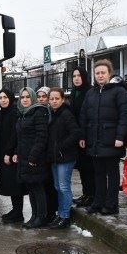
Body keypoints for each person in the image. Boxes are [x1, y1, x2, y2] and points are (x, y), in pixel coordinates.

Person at [79, 59, 127, 216]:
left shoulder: (118, 91)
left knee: (112, 174)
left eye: (103, 73)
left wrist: (121, 136)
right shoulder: (91, 92)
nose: (100, 76)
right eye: (97, 73)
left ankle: (111, 204)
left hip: (112, 139)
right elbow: (83, 115)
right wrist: (83, 135)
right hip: (94, 140)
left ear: (109, 74)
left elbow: (125, 115)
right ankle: (98, 202)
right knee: (98, 173)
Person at [13, 88, 49, 228]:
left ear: (32, 98)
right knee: (30, 187)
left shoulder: (38, 112)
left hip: (35, 157)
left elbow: (41, 137)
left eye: (28, 97)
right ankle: (34, 215)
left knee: (37, 187)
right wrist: (16, 152)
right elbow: (20, 138)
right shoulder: (23, 114)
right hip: (24, 156)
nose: (25, 99)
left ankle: (41, 217)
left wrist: (33, 157)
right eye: (22, 97)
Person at [47, 88, 81, 228]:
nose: (54, 101)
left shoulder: (66, 114)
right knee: (57, 186)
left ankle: (65, 216)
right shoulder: (52, 114)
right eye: (52, 99)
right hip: (55, 158)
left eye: (57, 99)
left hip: (65, 157)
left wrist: (60, 146)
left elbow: (75, 133)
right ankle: (60, 214)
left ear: (62, 99)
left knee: (63, 187)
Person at [0, 88, 25, 224]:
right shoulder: (3, 113)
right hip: (5, 153)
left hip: (12, 154)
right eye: (0, 98)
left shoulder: (14, 113)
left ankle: (18, 212)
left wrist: (10, 152)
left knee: (15, 184)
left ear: (10, 98)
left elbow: (15, 135)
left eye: (5, 97)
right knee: (11, 184)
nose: (3, 100)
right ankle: (16, 210)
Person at [69, 66, 95, 208]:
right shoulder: (74, 92)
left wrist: (83, 134)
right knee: (82, 167)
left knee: (89, 167)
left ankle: (92, 195)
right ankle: (86, 194)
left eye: (79, 75)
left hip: (87, 135)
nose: (76, 78)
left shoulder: (89, 92)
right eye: (74, 76)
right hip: (77, 135)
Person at [36, 85, 58, 222]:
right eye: (39, 97)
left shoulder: (52, 112)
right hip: (42, 154)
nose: (41, 99)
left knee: (52, 185)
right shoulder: (37, 111)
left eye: (44, 96)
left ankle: (52, 212)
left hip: (51, 153)